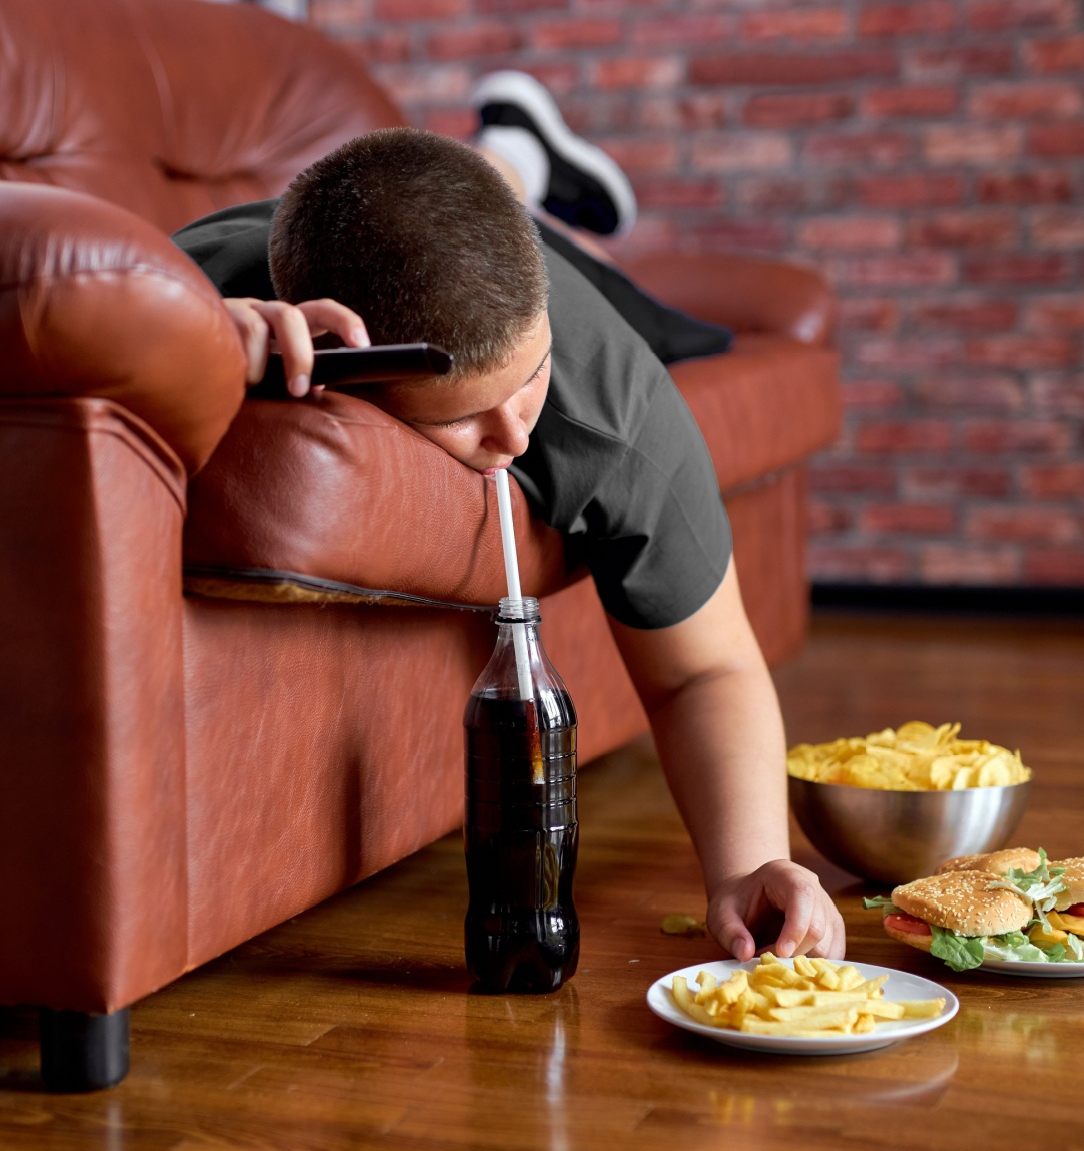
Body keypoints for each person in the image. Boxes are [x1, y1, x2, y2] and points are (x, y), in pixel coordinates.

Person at [173, 72, 845, 964]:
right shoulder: (182, 291)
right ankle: (514, 160)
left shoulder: (612, 414)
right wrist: (184, 357)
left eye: (527, 381)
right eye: (465, 417)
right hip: (296, 243)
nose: (515, 431)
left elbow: (707, 670)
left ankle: (520, 175)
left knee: (667, 331)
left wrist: (752, 865)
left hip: (586, 296)